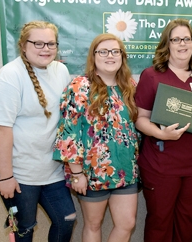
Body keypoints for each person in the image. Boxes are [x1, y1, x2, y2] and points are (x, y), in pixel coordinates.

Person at [0, 21, 76, 242]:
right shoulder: (9, 77)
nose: (46, 49)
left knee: (67, 218)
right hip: (16, 169)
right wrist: (6, 176)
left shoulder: (60, 70)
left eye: (51, 43)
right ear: (23, 45)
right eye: (38, 43)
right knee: (25, 227)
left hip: (49, 167)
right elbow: (0, 130)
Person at [52, 33, 140, 242]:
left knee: (127, 224)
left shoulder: (129, 86)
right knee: (93, 225)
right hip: (91, 172)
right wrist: (76, 174)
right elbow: (68, 132)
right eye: (103, 51)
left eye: (115, 51)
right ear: (94, 56)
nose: (110, 56)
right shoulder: (79, 86)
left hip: (125, 171)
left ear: (122, 56)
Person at [134, 18, 192, 242]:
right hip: (161, 163)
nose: (182, 44)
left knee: (187, 219)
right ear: (167, 44)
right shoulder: (151, 76)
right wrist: (161, 134)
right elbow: (140, 119)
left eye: (186, 39)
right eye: (176, 39)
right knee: (160, 220)